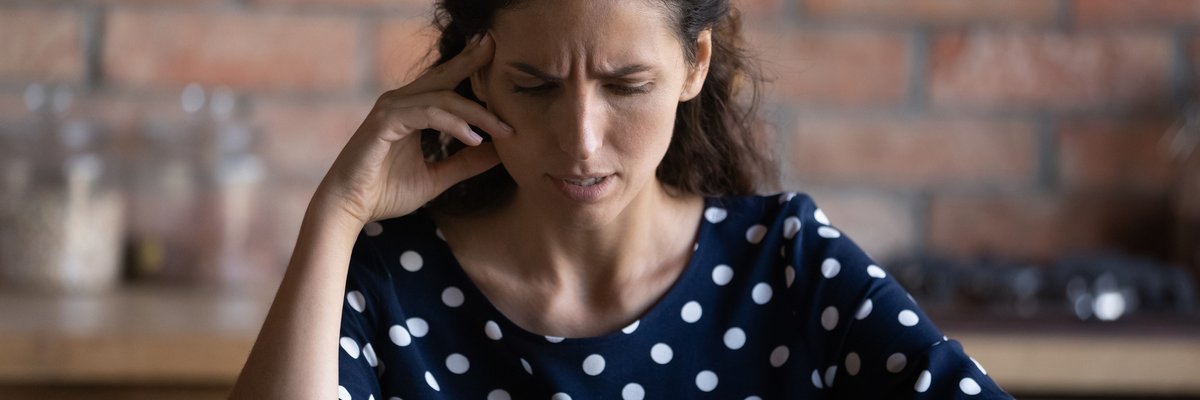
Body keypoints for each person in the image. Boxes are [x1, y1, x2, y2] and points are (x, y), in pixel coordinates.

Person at [230, 0, 1012, 398]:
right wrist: (337, 214)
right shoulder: (385, 279)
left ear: (693, 65)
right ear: (476, 75)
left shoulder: (787, 262)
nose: (581, 140)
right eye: (535, 86)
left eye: (627, 86)